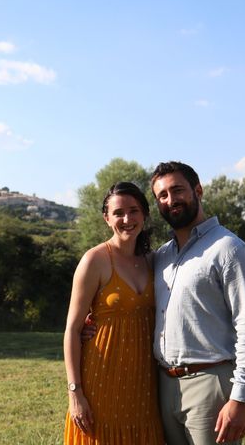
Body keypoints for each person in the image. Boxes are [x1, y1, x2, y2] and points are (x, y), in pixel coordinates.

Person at [83, 161, 245, 445]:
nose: (171, 200)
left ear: (198, 190)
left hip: (210, 383)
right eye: (162, 195)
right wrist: (93, 320)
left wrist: (241, 398)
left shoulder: (229, 249)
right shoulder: (161, 256)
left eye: (177, 190)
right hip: (162, 386)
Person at [63, 182, 164, 444]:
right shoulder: (94, 260)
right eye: (118, 213)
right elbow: (73, 330)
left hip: (144, 384)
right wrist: (76, 394)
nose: (127, 219)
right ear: (107, 218)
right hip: (102, 380)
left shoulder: (154, 261)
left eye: (134, 211)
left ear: (145, 215)